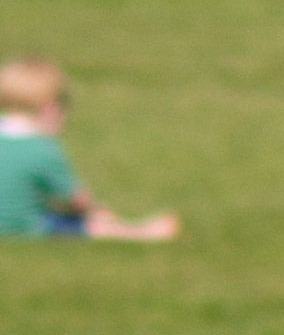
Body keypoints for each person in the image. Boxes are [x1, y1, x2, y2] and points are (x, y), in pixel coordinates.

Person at [0, 55, 178, 239]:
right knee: (90, 225)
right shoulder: (41, 148)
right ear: (49, 107)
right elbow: (75, 200)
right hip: (24, 226)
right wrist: (94, 211)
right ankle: (141, 232)